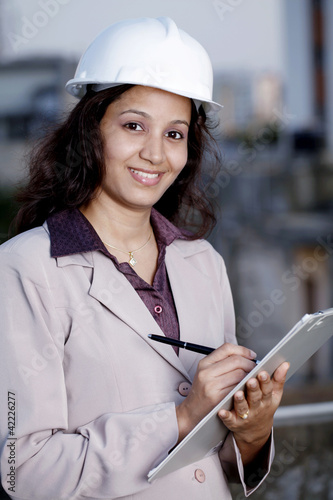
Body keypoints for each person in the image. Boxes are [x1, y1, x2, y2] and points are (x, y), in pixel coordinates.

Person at [0, 17, 289, 500]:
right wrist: (180, 417)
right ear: (91, 129)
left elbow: (214, 453)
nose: (155, 153)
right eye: (134, 126)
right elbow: (24, 472)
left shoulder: (203, 264)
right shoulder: (25, 270)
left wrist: (251, 430)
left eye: (175, 134)